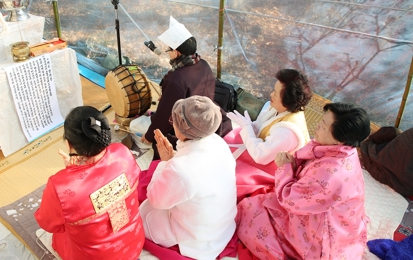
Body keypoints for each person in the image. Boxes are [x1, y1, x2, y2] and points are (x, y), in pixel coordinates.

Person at [236, 103, 371, 260]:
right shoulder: (347, 150)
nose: (318, 125)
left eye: (324, 125)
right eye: (322, 120)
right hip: (343, 221)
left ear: (338, 139)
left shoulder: (330, 176)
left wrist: (285, 169)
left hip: (322, 230)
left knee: (249, 216)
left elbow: (290, 200)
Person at [34, 106, 144, 260]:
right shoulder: (122, 153)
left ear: (69, 144)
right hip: (133, 244)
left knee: (61, 232)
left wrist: (70, 174)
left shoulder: (61, 187)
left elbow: (47, 223)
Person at [139, 96, 237, 260]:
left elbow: (156, 199)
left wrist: (166, 162)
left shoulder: (181, 169)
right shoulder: (218, 142)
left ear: (182, 129)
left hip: (197, 240)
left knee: (141, 213)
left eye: (173, 121)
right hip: (221, 228)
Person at [141, 16, 231, 159]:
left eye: (168, 50)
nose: (168, 53)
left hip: (189, 130)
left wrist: (149, 136)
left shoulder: (176, 79)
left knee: (136, 126)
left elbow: (165, 117)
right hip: (207, 119)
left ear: (176, 52)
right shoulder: (204, 64)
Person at [225, 68, 312, 199]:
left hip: (268, 167)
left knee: (228, 179)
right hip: (260, 150)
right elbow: (261, 126)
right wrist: (249, 127)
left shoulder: (287, 132)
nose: (271, 94)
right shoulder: (282, 108)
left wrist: (247, 127)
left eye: (276, 94)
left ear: (287, 101)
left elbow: (261, 156)